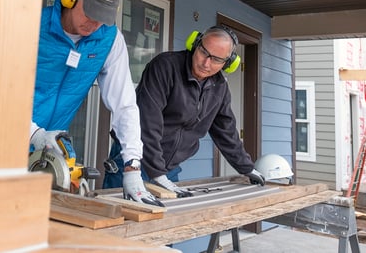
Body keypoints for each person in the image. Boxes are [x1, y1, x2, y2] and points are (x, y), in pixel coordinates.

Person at [29, 0, 162, 207]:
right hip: (2, 137)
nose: (94, 24)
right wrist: (33, 133)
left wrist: (132, 165)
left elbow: (125, 105)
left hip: (48, 153)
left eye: (102, 19)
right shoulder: (33, 25)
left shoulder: (109, 40)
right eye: (90, 13)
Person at [103, 26, 265, 197]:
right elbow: (148, 121)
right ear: (195, 44)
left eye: (216, 59)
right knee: (119, 215)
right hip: (134, 160)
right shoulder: (166, 66)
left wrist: (247, 168)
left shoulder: (219, 88)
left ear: (228, 63)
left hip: (168, 167)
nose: (206, 63)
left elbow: (226, 131)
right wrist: (157, 173)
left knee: (165, 219)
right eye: (204, 52)